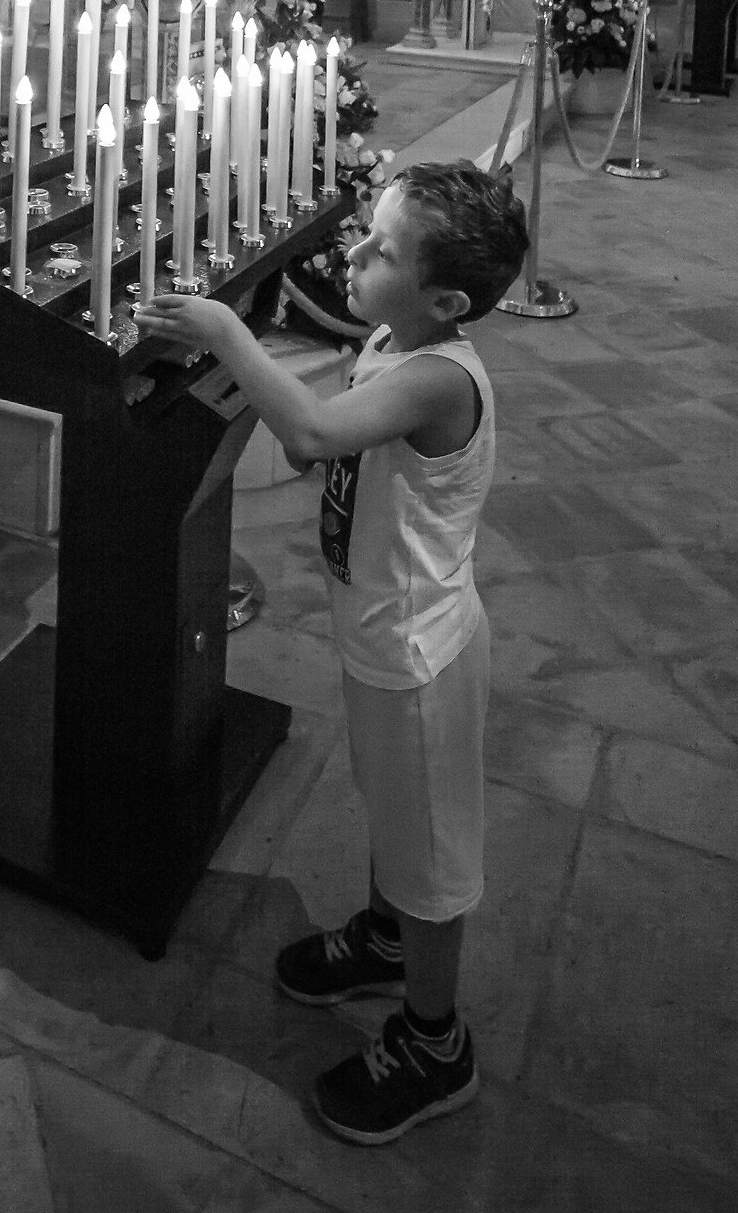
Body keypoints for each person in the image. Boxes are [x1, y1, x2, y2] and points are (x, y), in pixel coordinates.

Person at [135, 163, 528, 1146]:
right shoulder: (396, 340)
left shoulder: (439, 377)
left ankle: (434, 1045)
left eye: (381, 251)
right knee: (395, 810)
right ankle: (389, 939)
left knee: (431, 852)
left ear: (446, 301)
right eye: (366, 232)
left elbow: (310, 429)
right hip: (381, 636)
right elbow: (324, 446)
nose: (353, 254)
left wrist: (228, 334)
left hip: (421, 657)